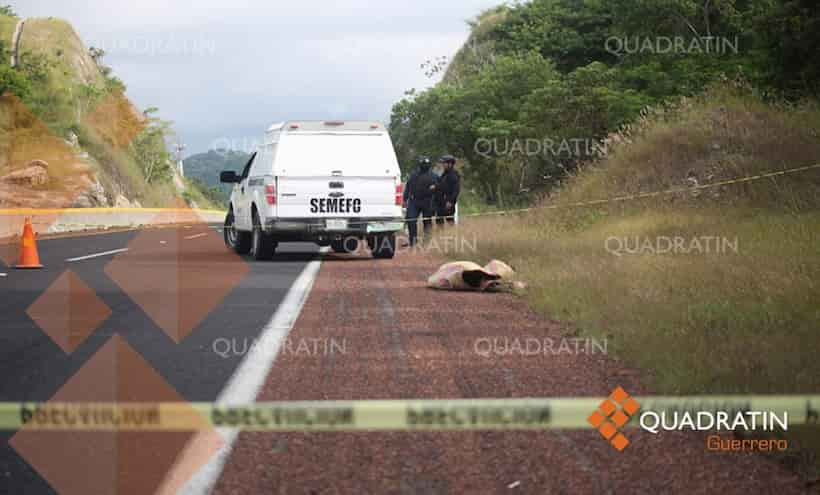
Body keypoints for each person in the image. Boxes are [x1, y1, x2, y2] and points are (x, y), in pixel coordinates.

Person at [403, 156, 438, 246]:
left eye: (426, 164)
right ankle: (413, 241)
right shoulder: (414, 174)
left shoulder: (434, 176)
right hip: (414, 201)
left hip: (428, 201)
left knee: (427, 222)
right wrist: (405, 199)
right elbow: (408, 186)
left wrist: (435, 192)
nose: (424, 166)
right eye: (423, 164)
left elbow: (439, 189)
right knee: (411, 220)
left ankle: (427, 242)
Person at [435, 154, 460, 225]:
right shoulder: (445, 174)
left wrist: (450, 201)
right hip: (441, 201)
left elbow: (456, 190)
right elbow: (442, 185)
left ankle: (453, 234)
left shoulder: (453, 175)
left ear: (450, 164)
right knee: (439, 221)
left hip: (448, 202)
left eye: (444, 163)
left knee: (449, 221)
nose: (443, 165)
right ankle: (441, 235)